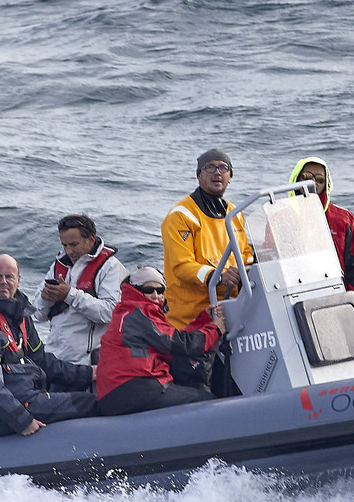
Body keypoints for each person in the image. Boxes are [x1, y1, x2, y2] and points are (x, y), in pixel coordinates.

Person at [0, 254, 97, 436]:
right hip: (1, 416)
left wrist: (88, 374)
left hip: (28, 397)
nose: (3, 281)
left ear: (19, 280)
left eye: (9, 276)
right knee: (90, 403)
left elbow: (43, 361)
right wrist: (21, 420)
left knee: (80, 392)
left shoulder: (20, 317)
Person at [96, 266, 226, 416]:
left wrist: (203, 320)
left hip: (115, 393)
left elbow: (169, 340)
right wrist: (215, 330)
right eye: (149, 289)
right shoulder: (141, 312)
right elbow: (180, 344)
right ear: (136, 290)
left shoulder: (127, 311)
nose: (155, 295)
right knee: (207, 400)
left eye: (160, 290)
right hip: (136, 387)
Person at [161, 148, 255, 330]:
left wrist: (253, 265)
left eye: (223, 167)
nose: (217, 172)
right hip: (191, 319)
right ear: (198, 175)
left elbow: (244, 254)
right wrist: (217, 276)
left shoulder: (235, 213)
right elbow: (181, 266)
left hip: (232, 309)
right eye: (210, 167)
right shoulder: (180, 216)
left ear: (230, 176)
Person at [34, 212, 127, 365]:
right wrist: (46, 299)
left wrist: (69, 295)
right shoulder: (58, 265)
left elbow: (111, 313)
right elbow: (38, 315)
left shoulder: (111, 267)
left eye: (73, 244)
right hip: (53, 359)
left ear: (90, 239)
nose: (69, 251)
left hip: (86, 365)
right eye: (64, 245)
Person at [290, 155, 354, 326]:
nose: (313, 183)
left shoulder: (344, 219)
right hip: (293, 302)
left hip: (333, 300)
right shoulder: (281, 216)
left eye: (319, 179)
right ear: (296, 178)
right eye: (306, 177)